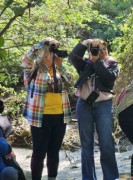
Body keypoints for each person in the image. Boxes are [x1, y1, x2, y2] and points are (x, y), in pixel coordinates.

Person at [21, 38, 73, 180]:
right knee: (39, 153)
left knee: (54, 152)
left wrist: (60, 66)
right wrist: (42, 44)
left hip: (60, 116)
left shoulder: (59, 68)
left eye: (52, 51)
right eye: (49, 51)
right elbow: (25, 61)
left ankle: (52, 178)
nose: (50, 54)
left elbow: (72, 80)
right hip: (40, 116)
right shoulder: (33, 69)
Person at [69, 39, 119, 180]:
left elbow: (109, 78)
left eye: (103, 49)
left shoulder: (112, 63)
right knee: (86, 144)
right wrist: (86, 43)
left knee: (106, 143)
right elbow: (72, 57)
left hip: (103, 105)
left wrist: (97, 62)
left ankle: (110, 177)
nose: (101, 52)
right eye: (97, 49)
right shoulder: (85, 63)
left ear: (108, 50)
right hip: (84, 104)